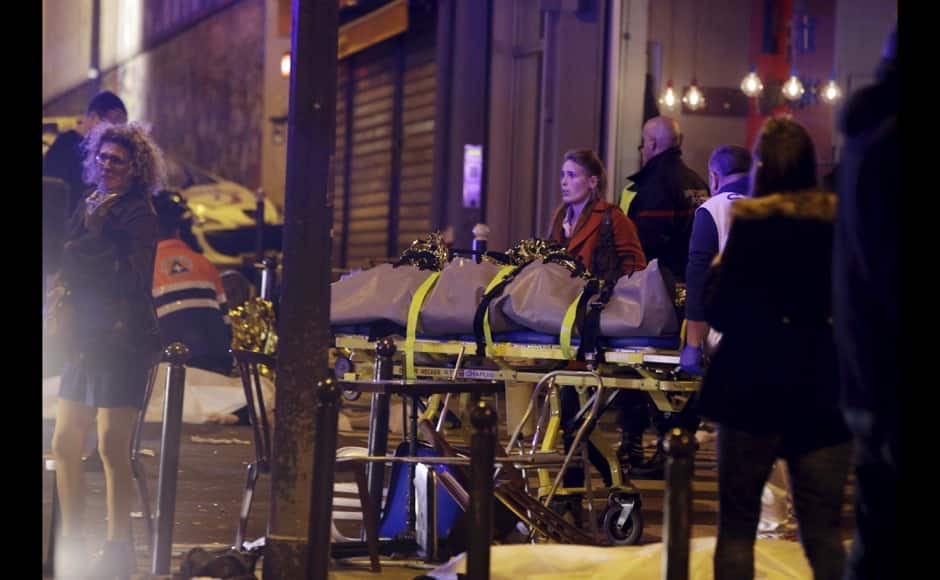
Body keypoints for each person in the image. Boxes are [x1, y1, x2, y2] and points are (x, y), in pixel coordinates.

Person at [700, 117, 851, 580]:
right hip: (821, 385)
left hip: (751, 382)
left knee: (738, 528)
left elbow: (721, 311)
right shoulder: (837, 224)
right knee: (823, 533)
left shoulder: (751, 225)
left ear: (761, 167)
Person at [48, 121, 165, 578]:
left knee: (113, 449)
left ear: (136, 168)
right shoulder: (88, 204)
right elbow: (67, 257)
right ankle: (72, 542)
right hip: (83, 339)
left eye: (117, 160)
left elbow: (130, 278)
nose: (107, 166)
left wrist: (87, 248)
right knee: (64, 441)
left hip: (121, 340)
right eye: (102, 157)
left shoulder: (140, 214)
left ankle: (117, 551)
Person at [833, 25, 897, 580]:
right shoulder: (889, 147)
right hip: (894, 375)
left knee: (878, 530)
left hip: (869, 373)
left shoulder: (864, 142)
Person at [545, 149, 646, 500]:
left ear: (593, 181)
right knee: (567, 414)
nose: (564, 181)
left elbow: (635, 265)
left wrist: (612, 298)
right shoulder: (560, 219)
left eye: (572, 175)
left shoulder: (611, 218)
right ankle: (589, 486)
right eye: (562, 174)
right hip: (563, 323)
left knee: (572, 414)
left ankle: (600, 483)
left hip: (594, 323)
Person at [680, 145, 752, 376]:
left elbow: (698, 278)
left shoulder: (712, 209)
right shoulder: (774, 204)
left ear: (714, 177)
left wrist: (692, 344)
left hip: (727, 334)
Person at [152, 190, 233, 375]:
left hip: (170, 373)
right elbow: (227, 325)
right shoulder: (204, 263)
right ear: (179, 228)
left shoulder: (145, 266)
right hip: (216, 368)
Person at [621, 115, 708, 281]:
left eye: (643, 143)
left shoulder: (655, 184)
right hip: (693, 279)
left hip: (662, 283)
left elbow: (648, 240)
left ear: (652, 144)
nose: (642, 148)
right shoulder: (698, 182)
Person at [43, 91, 128, 217]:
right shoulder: (66, 146)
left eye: (122, 126)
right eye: (114, 123)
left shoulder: (94, 149)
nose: (117, 132)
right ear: (93, 117)